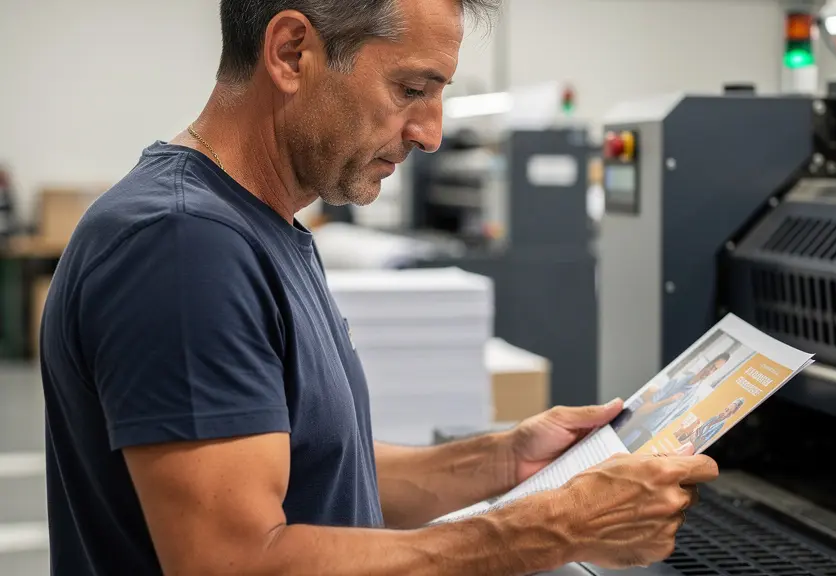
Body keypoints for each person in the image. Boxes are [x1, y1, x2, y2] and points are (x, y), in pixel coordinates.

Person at [38, 1, 720, 575]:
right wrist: (545, 533)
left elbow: (317, 475)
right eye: (411, 90)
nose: (431, 133)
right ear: (292, 51)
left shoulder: (260, 228)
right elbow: (234, 561)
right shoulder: (182, 245)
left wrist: (503, 458)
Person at [616, 352, 731, 451]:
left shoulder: (694, 398)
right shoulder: (677, 380)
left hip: (652, 437)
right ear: (707, 364)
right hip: (640, 426)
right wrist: (667, 401)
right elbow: (645, 408)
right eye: (711, 366)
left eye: (715, 370)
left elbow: (674, 421)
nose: (710, 371)